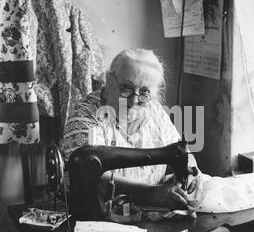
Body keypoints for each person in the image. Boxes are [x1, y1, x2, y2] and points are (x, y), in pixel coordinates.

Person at [63, 48, 201, 210]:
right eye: (126, 88)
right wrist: (151, 194)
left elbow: (182, 152)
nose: (134, 100)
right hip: (101, 215)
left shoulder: (154, 111)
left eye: (144, 92)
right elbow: (91, 176)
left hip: (151, 212)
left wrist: (191, 173)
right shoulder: (85, 118)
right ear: (109, 80)